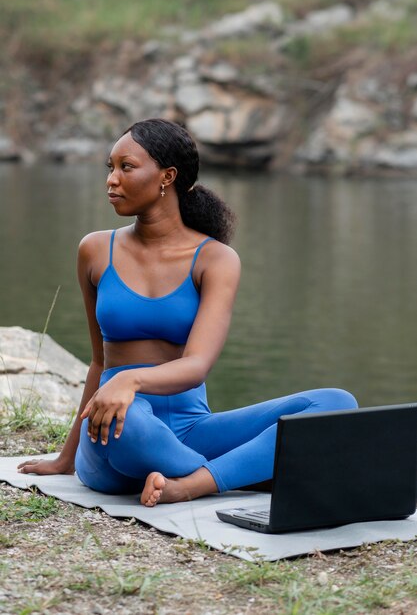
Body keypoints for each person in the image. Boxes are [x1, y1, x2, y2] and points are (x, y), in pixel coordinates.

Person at [18, 118, 358, 506]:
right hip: (118, 432)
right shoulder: (95, 250)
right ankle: (234, 473)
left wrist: (131, 382)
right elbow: (99, 362)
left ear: (167, 176)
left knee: (335, 403)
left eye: (125, 167)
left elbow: (196, 366)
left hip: (192, 426)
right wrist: (66, 459)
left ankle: (191, 483)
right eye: (109, 168)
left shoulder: (215, 259)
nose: (111, 180)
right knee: (128, 424)